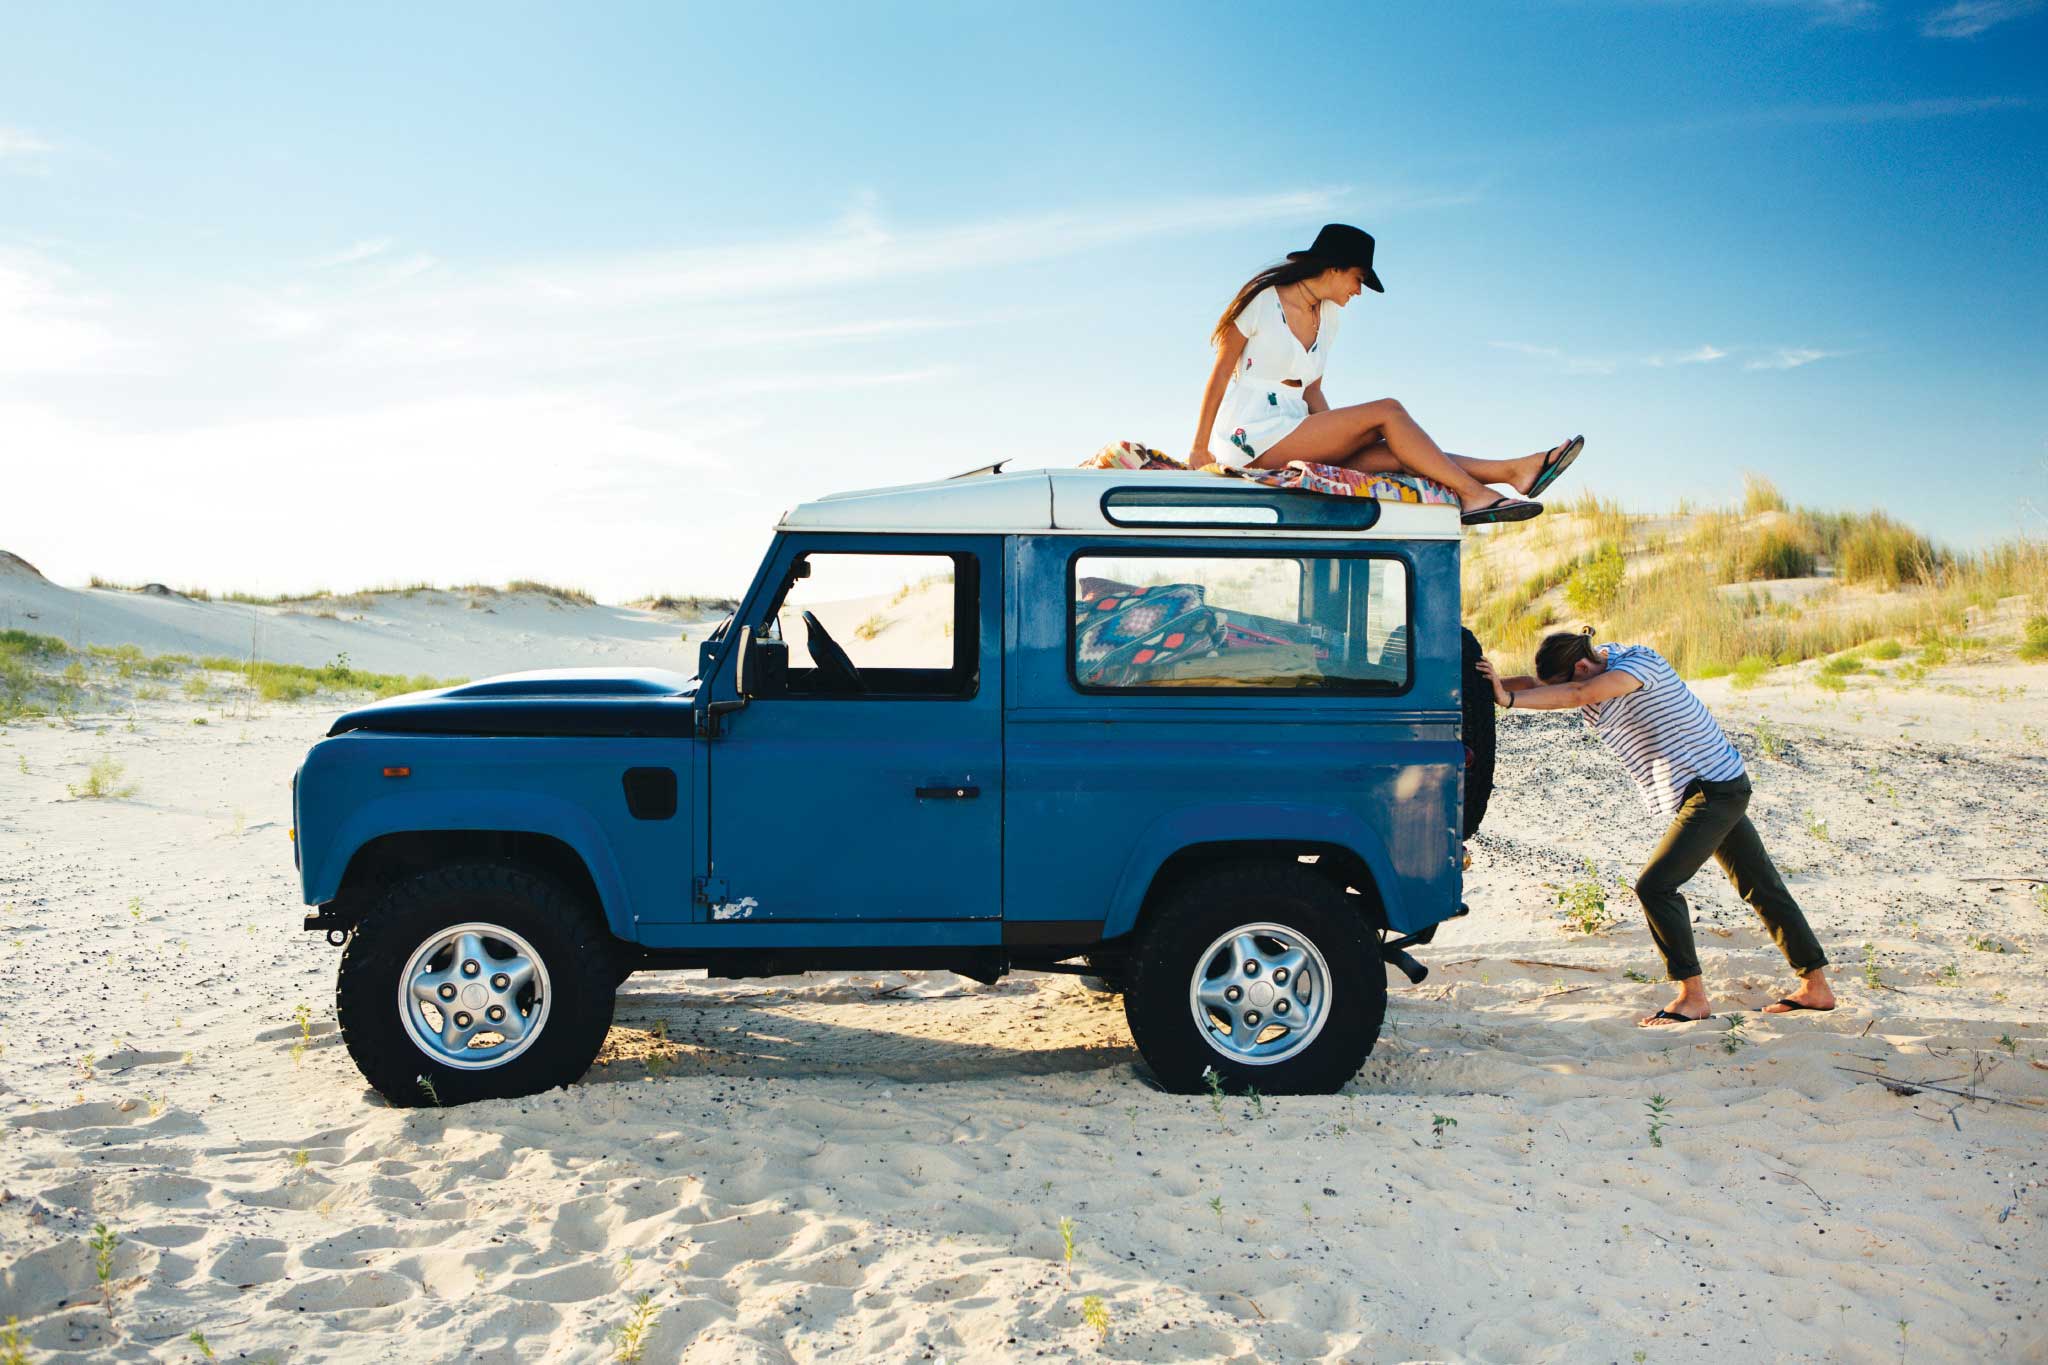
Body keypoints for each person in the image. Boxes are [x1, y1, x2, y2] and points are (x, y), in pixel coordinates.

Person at [1478, 628, 1836, 1026]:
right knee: (1761, 885)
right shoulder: (1598, 663)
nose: (1565, 691)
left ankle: (1692, 997)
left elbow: (1577, 695)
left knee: (1655, 886)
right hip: (1717, 786)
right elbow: (1541, 685)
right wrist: (1486, 682)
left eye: (1569, 678)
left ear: (1582, 666)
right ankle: (1816, 987)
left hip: (1713, 790)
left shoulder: (1636, 666)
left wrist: (1507, 700)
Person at [1189, 222, 1584, 527]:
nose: (1359, 291)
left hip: (1293, 426)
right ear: (1335, 267)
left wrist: (1341, 434)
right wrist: (1199, 447)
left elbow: (1313, 394)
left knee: (1396, 446)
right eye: (1359, 279)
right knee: (1389, 411)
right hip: (1251, 435)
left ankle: (1513, 471)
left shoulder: (1329, 318)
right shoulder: (1263, 303)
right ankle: (1473, 493)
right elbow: (1220, 375)